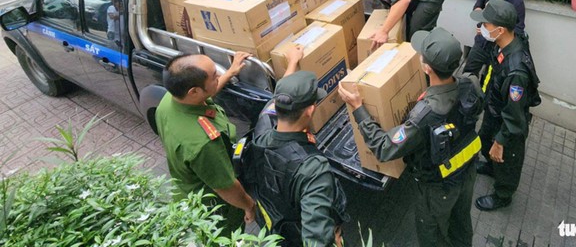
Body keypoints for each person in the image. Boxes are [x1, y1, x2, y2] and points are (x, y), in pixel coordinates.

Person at [339, 28, 484, 247]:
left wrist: (359, 108)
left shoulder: (424, 115)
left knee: (432, 236)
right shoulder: (470, 83)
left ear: (426, 67)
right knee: (461, 224)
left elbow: (384, 148)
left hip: (438, 189)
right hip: (467, 173)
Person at [248, 46, 348, 247]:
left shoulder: (262, 129)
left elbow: (277, 97)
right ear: (310, 111)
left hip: (274, 226)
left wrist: (293, 61)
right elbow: (316, 237)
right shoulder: (312, 169)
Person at [155, 53, 256, 232]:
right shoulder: (203, 143)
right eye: (214, 76)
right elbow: (226, 187)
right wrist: (248, 205)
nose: (218, 76)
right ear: (193, 91)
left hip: (186, 189)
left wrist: (231, 72)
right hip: (216, 211)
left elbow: (206, 93)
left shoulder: (169, 101)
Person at [466, 0, 540, 212]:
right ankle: (490, 166)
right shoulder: (502, 45)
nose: (482, 28)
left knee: (507, 160)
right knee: (486, 139)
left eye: (486, 25)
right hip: (494, 110)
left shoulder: (516, 71)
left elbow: (515, 115)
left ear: (500, 30)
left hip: (509, 123)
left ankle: (502, 195)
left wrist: (501, 141)